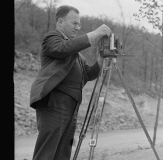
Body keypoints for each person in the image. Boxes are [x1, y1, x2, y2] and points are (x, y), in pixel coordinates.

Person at [29, 5, 111, 160]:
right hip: (54, 102)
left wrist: (102, 58)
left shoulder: (77, 55)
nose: (78, 28)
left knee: (62, 153)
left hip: (71, 105)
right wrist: (94, 34)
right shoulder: (52, 38)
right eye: (74, 23)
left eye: (79, 24)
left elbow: (88, 74)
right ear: (60, 22)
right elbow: (64, 48)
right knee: (47, 152)